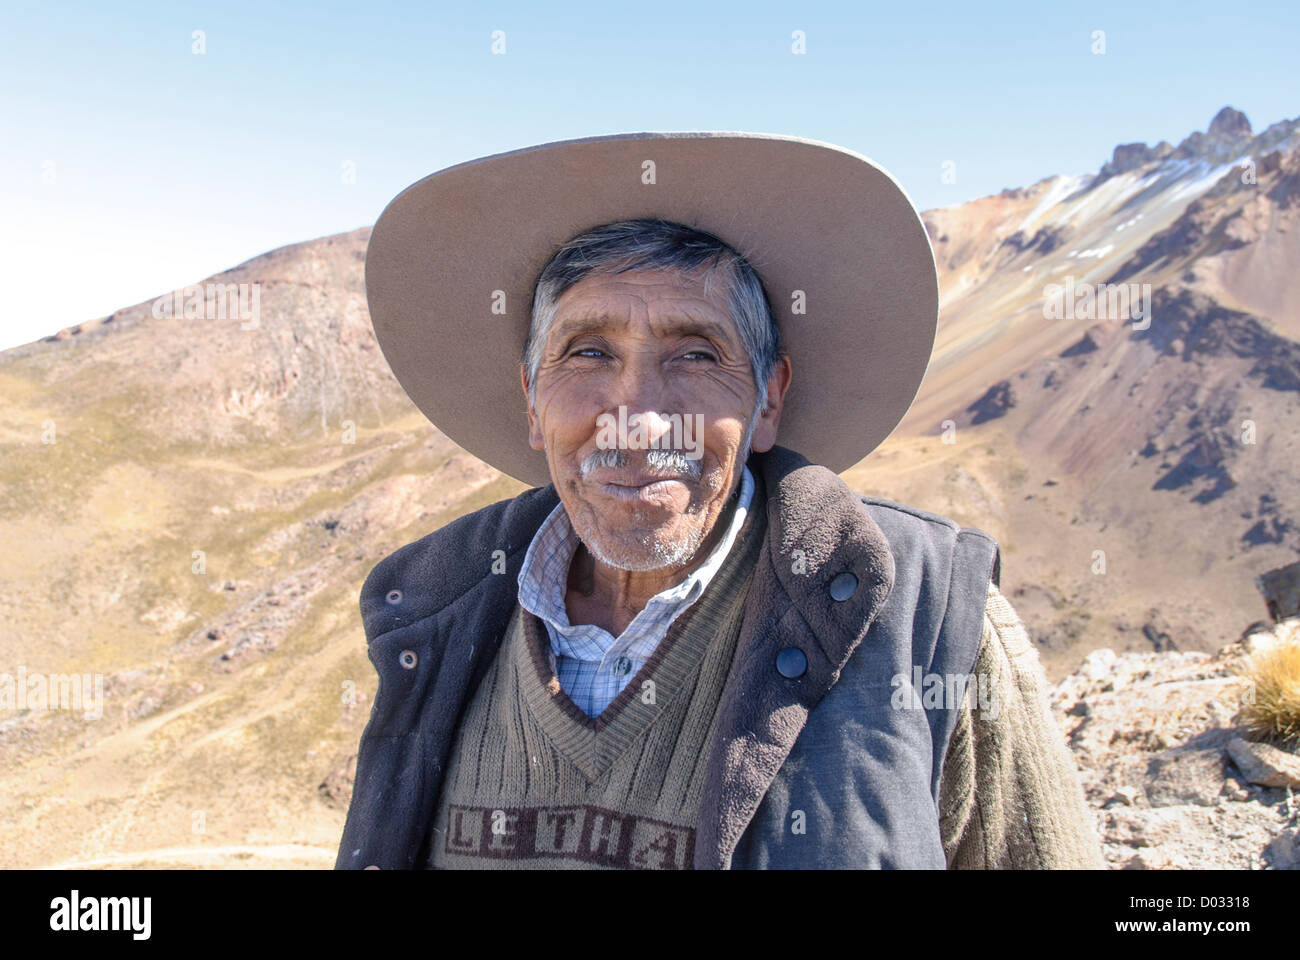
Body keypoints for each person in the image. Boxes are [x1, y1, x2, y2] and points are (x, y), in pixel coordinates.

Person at [336, 132, 1105, 869]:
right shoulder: (440, 617)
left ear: (768, 401)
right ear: (533, 402)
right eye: (589, 352)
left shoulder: (928, 617)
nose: (636, 419)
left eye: (696, 354)